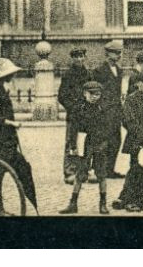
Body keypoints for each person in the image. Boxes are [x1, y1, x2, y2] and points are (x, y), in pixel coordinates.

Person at [0, 57, 38, 213]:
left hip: (7, 140)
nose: (11, 76)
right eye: (9, 73)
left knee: (23, 168)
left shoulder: (0, 89)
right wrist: (11, 123)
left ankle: (32, 202)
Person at [61, 78, 116, 215]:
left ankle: (102, 204)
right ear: (84, 93)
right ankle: (73, 203)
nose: (94, 97)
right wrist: (73, 145)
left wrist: (104, 143)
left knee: (101, 174)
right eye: (91, 94)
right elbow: (73, 128)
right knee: (80, 173)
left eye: (97, 94)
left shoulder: (104, 108)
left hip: (99, 144)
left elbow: (109, 128)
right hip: (84, 144)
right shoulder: (78, 108)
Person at [113, 71, 143, 212]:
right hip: (137, 141)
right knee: (136, 170)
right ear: (137, 84)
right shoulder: (131, 100)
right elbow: (130, 122)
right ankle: (129, 199)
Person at [89, 40, 127, 179]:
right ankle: (99, 169)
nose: (118, 56)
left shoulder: (119, 70)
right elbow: (95, 90)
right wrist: (99, 107)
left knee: (116, 140)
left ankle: (110, 169)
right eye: (115, 53)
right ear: (107, 53)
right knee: (102, 141)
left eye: (119, 53)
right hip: (104, 111)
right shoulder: (99, 70)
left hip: (116, 110)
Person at [57, 46, 90, 183]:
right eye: (76, 56)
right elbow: (62, 96)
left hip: (86, 114)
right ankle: (69, 171)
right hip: (73, 114)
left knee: (85, 142)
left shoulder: (88, 74)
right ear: (72, 58)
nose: (79, 59)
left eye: (81, 56)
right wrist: (72, 107)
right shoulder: (68, 75)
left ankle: (83, 170)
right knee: (71, 142)